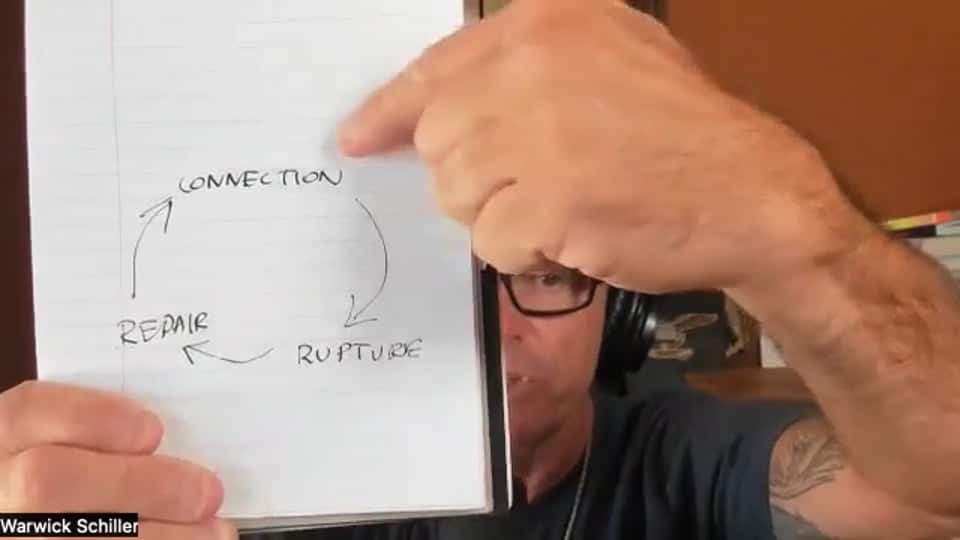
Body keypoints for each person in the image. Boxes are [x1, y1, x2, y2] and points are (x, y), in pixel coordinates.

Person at [3, 0, 960, 538]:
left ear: (619, 308)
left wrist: (797, 231)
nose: (491, 330)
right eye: (438, 279)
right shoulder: (232, 484)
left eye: (539, 274)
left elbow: (938, 500)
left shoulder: (688, 461)